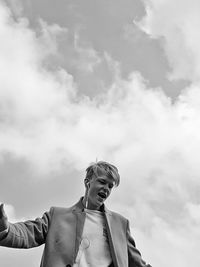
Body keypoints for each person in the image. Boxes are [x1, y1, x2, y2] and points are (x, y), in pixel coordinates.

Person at [0, 161, 152, 267]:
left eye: (110, 186)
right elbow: (28, 233)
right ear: (87, 182)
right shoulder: (57, 216)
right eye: (102, 182)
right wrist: (5, 229)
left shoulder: (120, 224)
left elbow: (136, 263)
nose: (106, 188)